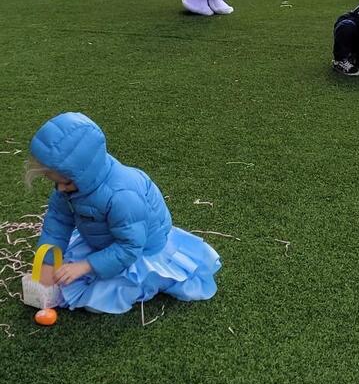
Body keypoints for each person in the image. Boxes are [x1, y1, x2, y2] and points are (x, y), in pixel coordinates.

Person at [25, 112, 221, 314]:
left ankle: (144, 281)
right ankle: (94, 263)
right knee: (65, 275)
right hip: (104, 237)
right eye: (55, 182)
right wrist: (48, 263)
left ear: (84, 174)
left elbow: (130, 246)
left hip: (140, 250)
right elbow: (58, 222)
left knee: (97, 300)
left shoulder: (122, 195)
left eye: (65, 183)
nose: (59, 189)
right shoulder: (70, 187)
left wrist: (86, 265)